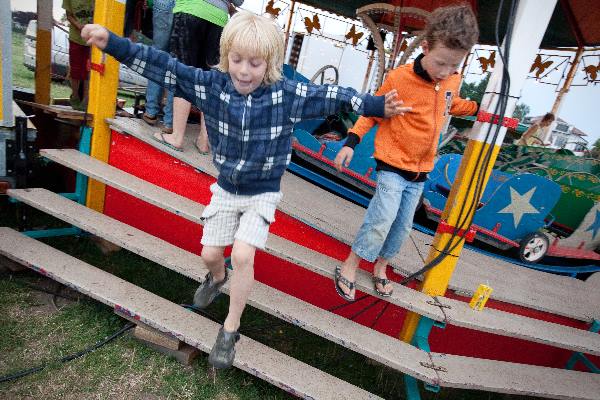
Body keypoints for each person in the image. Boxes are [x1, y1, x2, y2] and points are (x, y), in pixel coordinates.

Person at [82, 11, 406, 369]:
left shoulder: (285, 94)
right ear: (225, 57)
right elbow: (164, 67)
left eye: (255, 63)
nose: (244, 71)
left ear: (268, 64)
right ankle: (216, 278)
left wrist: (376, 105)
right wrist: (113, 44)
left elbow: (330, 96)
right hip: (226, 188)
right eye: (236, 60)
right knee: (210, 253)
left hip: (263, 192)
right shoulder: (212, 85)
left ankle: (230, 329)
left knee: (242, 255)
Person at [333, 4, 479, 301]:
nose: (445, 72)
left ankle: (381, 267)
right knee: (382, 217)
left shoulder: (451, 79)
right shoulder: (400, 79)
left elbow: (452, 102)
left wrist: (477, 108)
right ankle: (351, 263)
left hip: (421, 169)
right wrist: (351, 142)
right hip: (392, 162)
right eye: (440, 63)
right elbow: (372, 111)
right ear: (425, 48)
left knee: (402, 226)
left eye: (454, 66)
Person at [154, 0, 244, 153]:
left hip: (191, 9)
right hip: (218, 18)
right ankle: (204, 141)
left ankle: (177, 137)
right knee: (210, 81)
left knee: (182, 74)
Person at [141, 0, 176, 130]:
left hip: (163, 3)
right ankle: (169, 121)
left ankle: (150, 111)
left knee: (158, 56)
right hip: (185, 5)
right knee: (177, 62)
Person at [63, 0, 94, 111]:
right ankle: (75, 96)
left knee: (89, 69)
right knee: (76, 70)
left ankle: (86, 98)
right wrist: (80, 26)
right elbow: (69, 15)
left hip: (92, 38)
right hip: (76, 38)